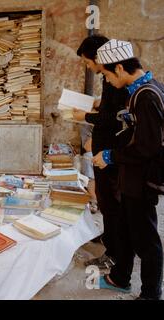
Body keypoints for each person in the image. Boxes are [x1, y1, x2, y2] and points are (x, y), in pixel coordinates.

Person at [93, 39, 163, 300]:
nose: (108, 81)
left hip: (142, 180)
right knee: (132, 231)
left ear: (120, 68)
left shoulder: (146, 96)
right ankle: (121, 278)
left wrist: (110, 155)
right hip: (132, 178)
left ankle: (151, 294)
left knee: (147, 240)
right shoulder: (141, 91)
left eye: (107, 74)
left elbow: (147, 147)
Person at [73, 35, 129, 269]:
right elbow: (110, 108)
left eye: (88, 62)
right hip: (104, 150)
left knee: (112, 203)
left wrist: (84, 116)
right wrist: (96, 104)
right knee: (107, 203)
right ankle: (110, 239)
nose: (89, 67)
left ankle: (115, 254)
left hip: (110, 153)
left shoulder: (120, 80)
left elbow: (113, 119)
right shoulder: (110, 79)